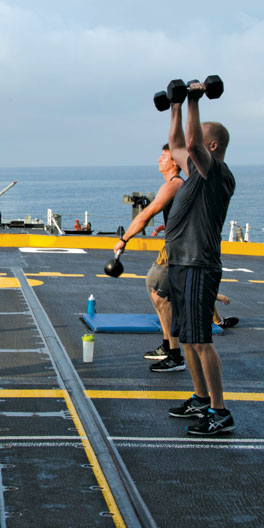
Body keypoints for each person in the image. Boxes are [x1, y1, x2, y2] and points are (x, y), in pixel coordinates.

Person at [164, 80, 236, 435]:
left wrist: (194, 99)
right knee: (187, 337)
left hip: (198, 265)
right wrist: (176, 106)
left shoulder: (216, 174)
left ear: (212, 146)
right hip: (180, 263)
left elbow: (189, 144)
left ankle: (220, 411)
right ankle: (200, 398)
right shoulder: (193, 170)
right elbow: (179, 144)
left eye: (199, 142)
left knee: (201, 340)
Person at [113, 144, 185, 373]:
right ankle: (166, 344)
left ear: (174, 162)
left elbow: (145, 215)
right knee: (152, 284)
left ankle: (175, 355)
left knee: (162, 298)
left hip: (180, 250)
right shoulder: (173, 186)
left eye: (163, 156)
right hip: (171, 246)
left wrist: (124, 239)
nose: (158, 160)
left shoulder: (174, 185)